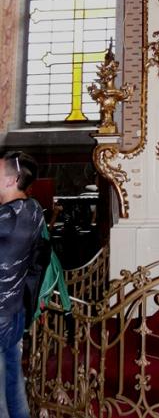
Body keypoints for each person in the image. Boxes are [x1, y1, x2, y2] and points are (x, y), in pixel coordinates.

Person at [0, 150, 44, 418]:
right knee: (13, 384)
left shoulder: (7, 218)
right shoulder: (33, 209)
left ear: (10, 180)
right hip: (15, 310)